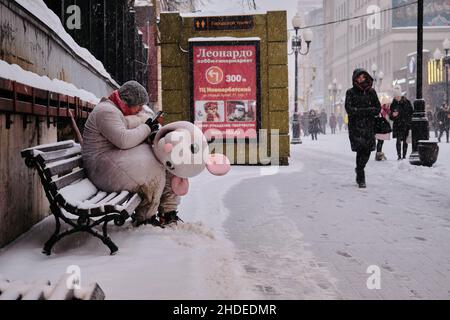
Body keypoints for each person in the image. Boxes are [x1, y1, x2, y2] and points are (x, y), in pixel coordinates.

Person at [82, 81, 181, 227]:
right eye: (139, 105)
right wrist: (147, 128)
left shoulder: (114, 110)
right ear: (127, 102)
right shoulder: (106, 111)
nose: (140, 109)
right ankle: (146, 218)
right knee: (153, 169)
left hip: (110, 161)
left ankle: (167, 212)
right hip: (101, 169)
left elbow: (128, 133)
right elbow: (124, 140)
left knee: (162, 158)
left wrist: (150, 131)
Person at [345, 69, 381, 188]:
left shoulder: (371, 92)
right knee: (361, 149)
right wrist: (367, 111)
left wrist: (362, 111)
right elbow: (349, 109)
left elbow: (378, 109)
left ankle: (359, 168)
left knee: (367, 150)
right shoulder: (350, 92)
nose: (361, 79)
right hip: (356, 127)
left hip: (369, 126)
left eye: (363, 77)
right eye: (359, 77)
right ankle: (361, 177)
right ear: (355, 79)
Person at [390, 89, 414, 160]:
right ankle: (399, 156)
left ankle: (404, 156)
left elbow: (411, 112)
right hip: (397, 125)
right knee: (398, 140)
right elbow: (391, 116)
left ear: (400, 95)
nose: (396, 98)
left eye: (397, 96)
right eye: (395, 97)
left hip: (405, 124)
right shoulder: (393, 103)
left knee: (405, 141)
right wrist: (393, 115)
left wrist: (407, 119)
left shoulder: (407, 102)